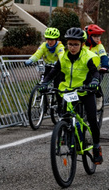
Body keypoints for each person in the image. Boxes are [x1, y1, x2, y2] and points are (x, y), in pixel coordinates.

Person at [38, 27, 103, 165]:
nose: (72, 48)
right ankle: (67, 133)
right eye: (70, 44)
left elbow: (95, 73)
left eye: (76, 44)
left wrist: (95, 81)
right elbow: (53, 73)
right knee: (64, 116)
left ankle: (96, 147)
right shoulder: (63, 57)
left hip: (85, 91)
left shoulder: (88, 56)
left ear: (82, 44)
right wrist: (44, 83)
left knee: (92, 119)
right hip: (68, 91)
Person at [25, 27, 65, 111]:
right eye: (48, 39)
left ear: (56, 39)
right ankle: (45, 104)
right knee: (43, 84)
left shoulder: (60, 46)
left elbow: (62, 55)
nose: (49, 42)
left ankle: (60, 104)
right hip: (47, 67)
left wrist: (60, 62)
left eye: (52, 39)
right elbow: (37, 54)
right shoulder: (44, 46)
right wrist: (30, 60)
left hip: (57, 69)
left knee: (57, 87)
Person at [84, 24, 109, 110]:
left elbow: (104, 57)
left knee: (96, 84)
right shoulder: (83, 46)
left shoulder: (99, 46)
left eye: (99, 36)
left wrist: (105, 66)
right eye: (95, 36)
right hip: (84, 71)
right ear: (88, 36)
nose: (98, 39)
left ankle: (99, 97)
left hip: (97, 71)